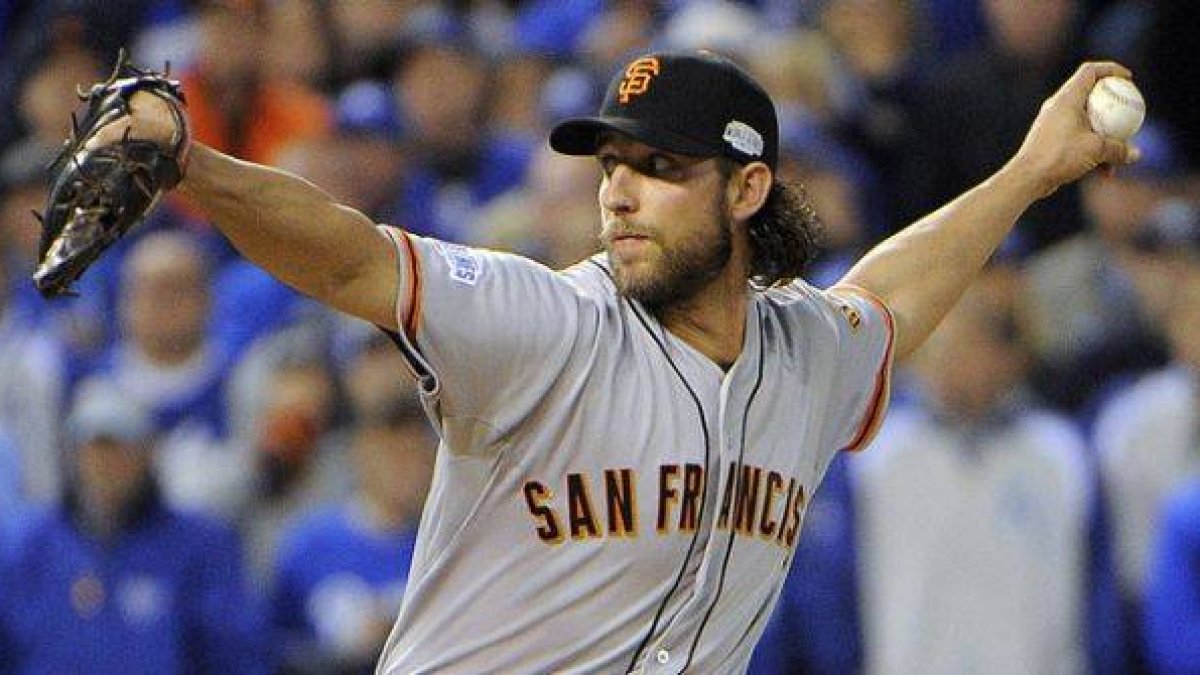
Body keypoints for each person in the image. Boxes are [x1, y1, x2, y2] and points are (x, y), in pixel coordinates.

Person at [93, 48, 1136, 673]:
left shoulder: (806, 356)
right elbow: (355, 258)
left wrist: (1033, 172)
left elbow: (891, 298)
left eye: (661, 167)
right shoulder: (544, 324)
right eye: (612, 165)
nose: (619, 193)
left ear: (748, 189)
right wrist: (193, 163)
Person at [0, 379, 270, 673]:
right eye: (94, 448)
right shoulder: (24, 544)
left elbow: (236, 655)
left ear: (148, 453)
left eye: (121, 448)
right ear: (74, 453)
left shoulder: (201, 546)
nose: (105, 464)